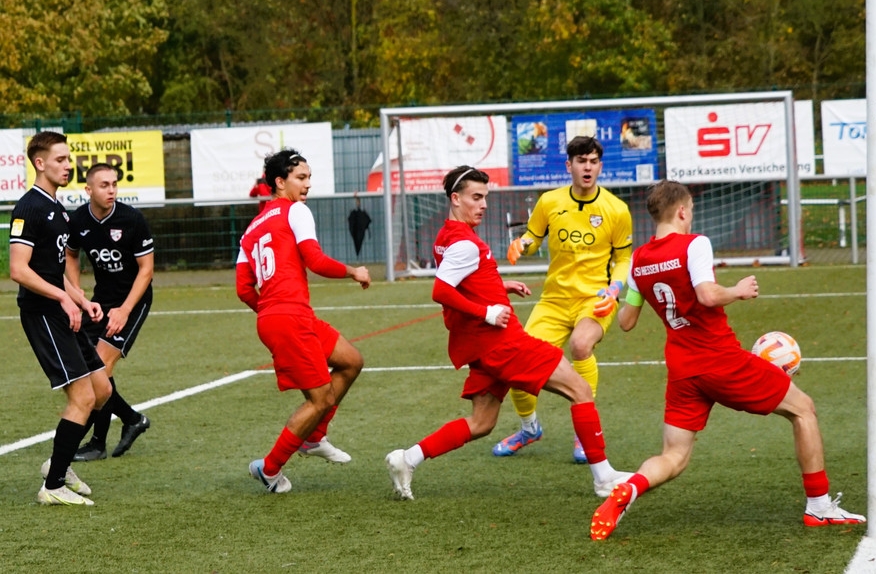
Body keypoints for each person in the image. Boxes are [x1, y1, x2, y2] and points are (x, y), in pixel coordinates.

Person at [589, 180, 865, 540]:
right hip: (720, 359)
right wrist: (738, 290)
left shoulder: (638, 260)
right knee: (804, 410)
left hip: (682, 369)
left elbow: (626, 322)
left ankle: (630, 487)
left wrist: (622, 298)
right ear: (682, 211)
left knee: (674, 455)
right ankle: (819, 506)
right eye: (691, 210)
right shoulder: (695, 244)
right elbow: (706, 295)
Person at [385, 165, 631, 501]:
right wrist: (487, 311)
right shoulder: (465, 243)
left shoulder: (446, 235)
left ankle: (407, 459)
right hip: (501, 343)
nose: (483, 204)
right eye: (476, 197)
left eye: (485, 197)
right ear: (455, 199)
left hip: (480, 347)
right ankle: (604, 478)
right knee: (580, 389)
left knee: (481, 423)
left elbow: (463, 279)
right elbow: (441, 290)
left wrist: (499, 286)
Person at [236, 149, 370, 493]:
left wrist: (269, 311)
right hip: (289, 318)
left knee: (351, 361)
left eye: (309, 177)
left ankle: (314, 437)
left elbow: (243, 288)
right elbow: (315, 260)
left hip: (285, 316)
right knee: (320, 399)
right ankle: (269, 469)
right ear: (280, 182)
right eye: (301, 177)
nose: (308, 184)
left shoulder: (250, 230)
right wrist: (353, 271)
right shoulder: (296, 210)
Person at [496, 136, 632, 463]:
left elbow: (624, 258)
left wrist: (615, 288)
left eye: (593, 161)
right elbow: (534, 235)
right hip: (554, 300)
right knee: (518, 362)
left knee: (581, 345)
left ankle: (584, 434)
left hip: (595, 298)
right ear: (569, 165)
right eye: (581, 161)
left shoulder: (616, 209)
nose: (588, 167)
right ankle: (529, 429)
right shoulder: (550, 201)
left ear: (600, 166)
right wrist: (522, 244)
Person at [9, 131, 111, 506]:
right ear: (40, 163)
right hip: (43, 314)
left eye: (69, 159)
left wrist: (80, 298)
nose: (68, 166)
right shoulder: (30, 208)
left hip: (63, 310)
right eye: (61, 160)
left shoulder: (58, 208)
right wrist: (62, 298)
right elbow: (19, 270)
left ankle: (59, 462)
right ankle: (53, 486)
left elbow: (53, 270)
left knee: (102, 390)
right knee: (82, 396)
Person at [65, 163, 153, 461]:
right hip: (101, 300)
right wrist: (76, 293)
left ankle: (97, 443)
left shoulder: (132, 219)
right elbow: (71, 254)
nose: (111, 190)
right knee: (89, 367)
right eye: (104, 185)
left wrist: (125, 310)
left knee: (99, 367)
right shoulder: (79, 220)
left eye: (114, 184)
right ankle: (131, 419)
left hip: (133, 301)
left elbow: (146, 270)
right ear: (88, 190)